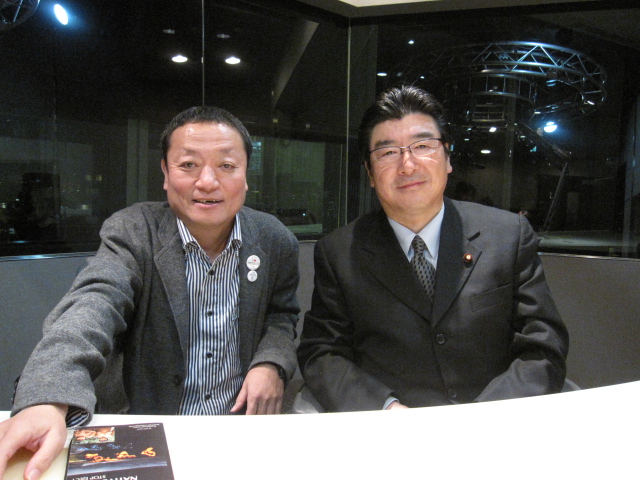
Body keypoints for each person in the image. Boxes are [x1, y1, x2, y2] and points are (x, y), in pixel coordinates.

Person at [0, 106, 300, 479]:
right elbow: (94, 304)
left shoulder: (274, 239)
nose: (207, 182)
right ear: (165, 173)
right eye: (188, 165)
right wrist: (48, 397)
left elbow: (281, 314)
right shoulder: (134, 231)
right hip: (150, 429)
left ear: (245, 174)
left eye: (226, 166)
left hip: (239, 428)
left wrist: (271, 362)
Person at [297, 85, 569, 412]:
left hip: (495, 421)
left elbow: (543, 346)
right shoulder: (339, 252)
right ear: (370, 172)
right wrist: (385, 409)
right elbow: (322, 353)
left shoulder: (508, 235)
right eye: (388, 152)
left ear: (447, 156)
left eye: (423, 146)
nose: (408, 165)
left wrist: (484, 418)